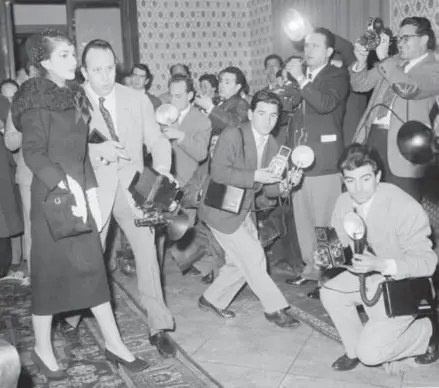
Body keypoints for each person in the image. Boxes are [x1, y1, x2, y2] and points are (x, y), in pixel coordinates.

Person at [10, 29, 148, 380]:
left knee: (92, 271)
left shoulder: (72, 94)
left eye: (73, 53)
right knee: (50, 276)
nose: (74, 61)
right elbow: (34, 152)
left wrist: (90, 193)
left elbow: (81, 150)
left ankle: (114, 343)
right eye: (65, 56)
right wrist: (64, 183)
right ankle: (43, 349)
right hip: (53, 200)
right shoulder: (34, 96)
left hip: (80, 193)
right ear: (44, 62)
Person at [80, 39, 177, 359]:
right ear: (84, 71)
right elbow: (68, 149)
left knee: (148, 257)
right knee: (89, 260)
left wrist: (161, 168)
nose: (105, 76)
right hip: (95, 189)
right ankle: (70, 318)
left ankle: (159, 326)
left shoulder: (136, 99)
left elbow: (157, 139)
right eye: (97, 70)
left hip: (136, 187)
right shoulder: (74, 100)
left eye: (110, 68)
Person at [317, 143, 438, 371]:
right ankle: (353, 349)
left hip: (405, 285)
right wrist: (327, 256)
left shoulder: (404, 207)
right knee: (330, 292)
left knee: (371, 356)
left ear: (378, 176)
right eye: (350, 180)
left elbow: (427, 263)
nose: (358, 189)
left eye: (365, 178)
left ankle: (428, 330)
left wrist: (382, 264)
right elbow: (341, 242)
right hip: (368, 277)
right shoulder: (344, 202)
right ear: (343, 180)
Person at [197, 90, 303, 327]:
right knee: (254, 256)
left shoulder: (275, 144)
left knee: (239, 263)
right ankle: (274, 309)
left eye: (273, 116)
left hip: (242, 209)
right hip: (220, 209)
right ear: (251, 113)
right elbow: (219, 173)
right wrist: (255, 175)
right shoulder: (233, 135)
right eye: (262, 114)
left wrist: (286, 184)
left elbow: (270, 190)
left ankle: (211, 299)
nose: (267, 121)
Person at [283, 28, 350, 288]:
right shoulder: (300, 78)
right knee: (304, 221)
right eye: (306, 46)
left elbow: (324, 104)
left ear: (329, 52)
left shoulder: (336, 75)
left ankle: (332, 277)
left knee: (326, 225)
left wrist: (301, 80)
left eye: (314, 46)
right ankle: (312, 270)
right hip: (299, 161)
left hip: (324, 161)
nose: (307, 50)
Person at [351, 16, 439, 202]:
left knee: (403, 207)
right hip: (373, 137)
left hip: (405, 146)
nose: (400, 43)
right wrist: (360, 62)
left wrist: (384, 58)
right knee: (372, 201)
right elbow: (361, 85)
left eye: (406, 38)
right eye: (398, 38)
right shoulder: (393, 61)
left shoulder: (434, 68)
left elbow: (409, 89)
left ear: (424, 39)